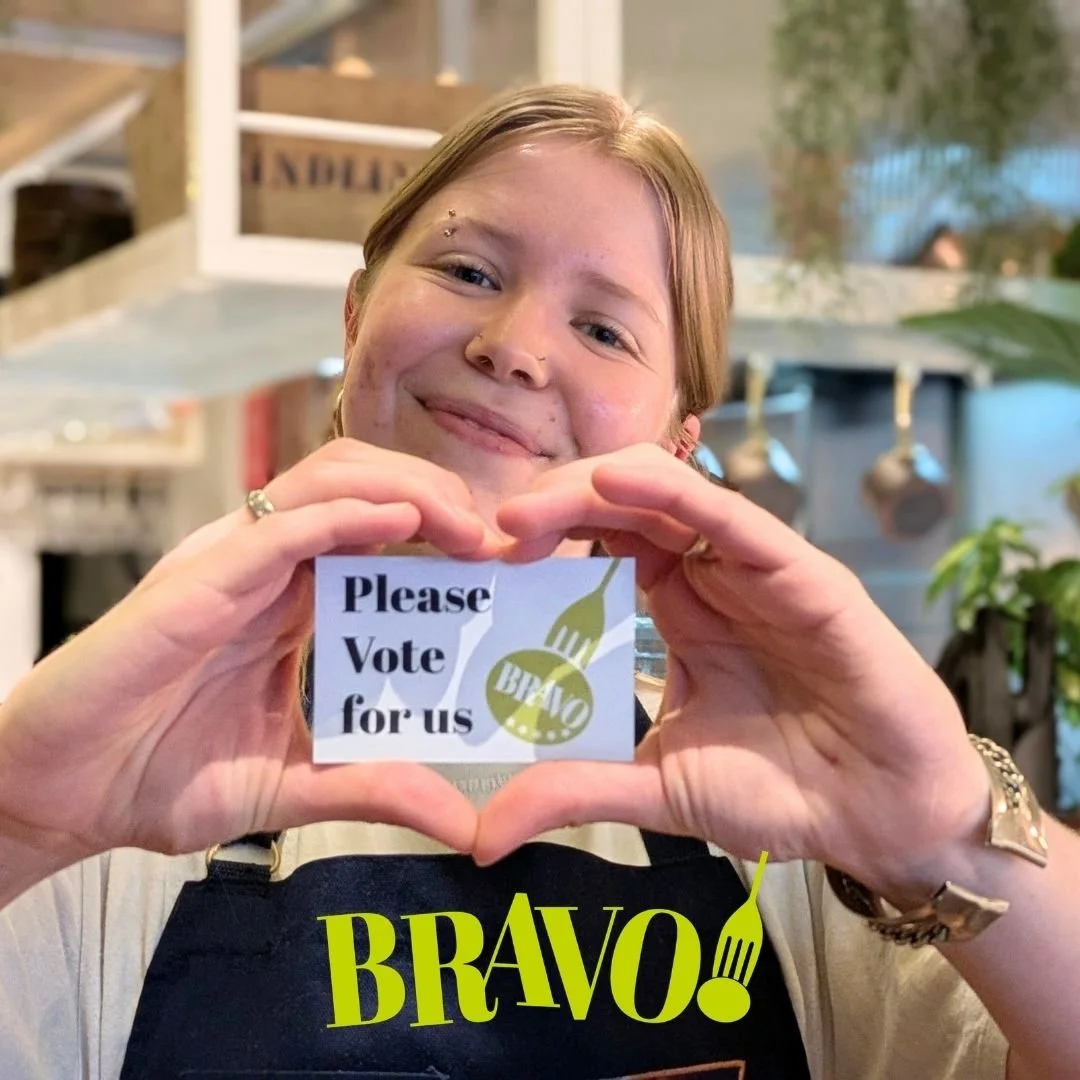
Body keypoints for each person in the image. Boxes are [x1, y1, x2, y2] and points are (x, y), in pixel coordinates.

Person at [0, 83, 1077, 1080]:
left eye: (604, 329)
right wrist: (21, 823)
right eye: (469, 272)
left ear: (677, 442)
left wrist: (943, 832)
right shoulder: (135, 778)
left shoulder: (784, 809)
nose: (514, 347)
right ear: (356, 316)